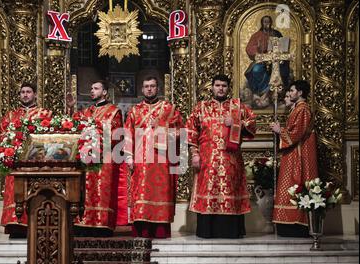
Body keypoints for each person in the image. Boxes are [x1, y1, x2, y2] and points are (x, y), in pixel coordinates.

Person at [186, 74, 256, 238]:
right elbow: (190, 131)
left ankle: (231, 231)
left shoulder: (237, 107)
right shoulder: (201, 107)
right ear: (212, 87)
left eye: (224, 86)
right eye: (217, 85)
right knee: (208, 191)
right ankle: (207, 231)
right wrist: (194, 154)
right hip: (207, 160)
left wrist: (236, 123)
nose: (220, 88)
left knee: (230, 192)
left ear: (228, 88)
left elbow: (252, 124)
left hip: (230, 160)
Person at [124, 76, 183, 239]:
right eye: (146, 86)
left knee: (160, 194)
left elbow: (180, 133)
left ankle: (160, 231)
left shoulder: (169, 109)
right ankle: (142, 231)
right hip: (140, 161)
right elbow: (128, 133)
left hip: (162, 160)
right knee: (141, 194)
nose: (149, 89)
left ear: (158, 88)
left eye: (152, 86)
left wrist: (161, 127)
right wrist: (128, 156)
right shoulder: (135, 110)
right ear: (142, 90)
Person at [68, 80, 123, 237]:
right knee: (84, 191)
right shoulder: (86, 111)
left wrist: (94, 132)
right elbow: (72, 125)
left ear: (104, 92)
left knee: (102, 190)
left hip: (104, 158)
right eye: (91, 88)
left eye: (96, 88)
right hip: (85, 158)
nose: (92, 90)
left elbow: (116, 136)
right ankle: (83, 223)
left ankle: (102, 224)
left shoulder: (114, 111)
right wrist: (71, 107)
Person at [0, 83, 52, 238]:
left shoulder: (45, 114)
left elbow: (49, 136)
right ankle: (15, 226)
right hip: (15, 162)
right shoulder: (10, 115)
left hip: (35, 163)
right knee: (14, 193)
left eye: (28, 92)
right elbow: (3, 136)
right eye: (22, 92)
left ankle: (35, 225)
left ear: (35, 94)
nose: (25, 95)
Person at [270, 80, 318, 237]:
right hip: (293, 153)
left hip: (299, 154)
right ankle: (287, 225)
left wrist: (280, 130)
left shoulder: (302, 109)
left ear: (300, 92)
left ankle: (296, 224)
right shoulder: (297, 109)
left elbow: (296, 133)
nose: (289, 93)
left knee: (294, 184)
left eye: (292, 90)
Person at [245, 15, 290, 102]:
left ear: (271, 23)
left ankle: (276, 93)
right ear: (262, 23)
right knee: (255, 70)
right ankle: (261, 92)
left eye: (268, 22)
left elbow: (283, 45)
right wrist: (257, 52)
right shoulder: (257, 35)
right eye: (265, 22)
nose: (266, 24)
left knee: (281, 70)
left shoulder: (276, 33)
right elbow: (249, 48)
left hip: (275, 59)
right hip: (262, 59)